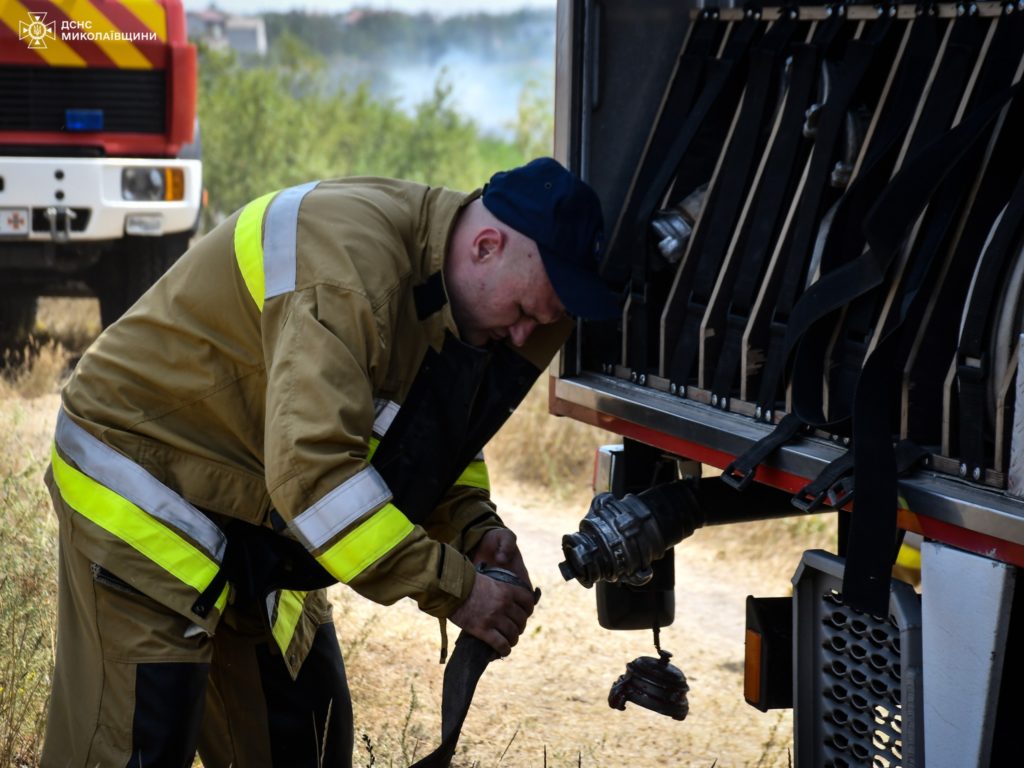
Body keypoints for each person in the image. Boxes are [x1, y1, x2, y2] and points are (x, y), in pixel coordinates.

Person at [42, 157, 619, 767]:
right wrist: (457, 590)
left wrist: (475, 525)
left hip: (257, 505)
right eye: (527, 312)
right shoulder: (352, 277)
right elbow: (317, 481)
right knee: (141, 742)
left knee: (305, 741)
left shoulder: (449, 298)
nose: (527, 337)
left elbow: (428, 437)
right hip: (145, 479)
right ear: (485, 246)